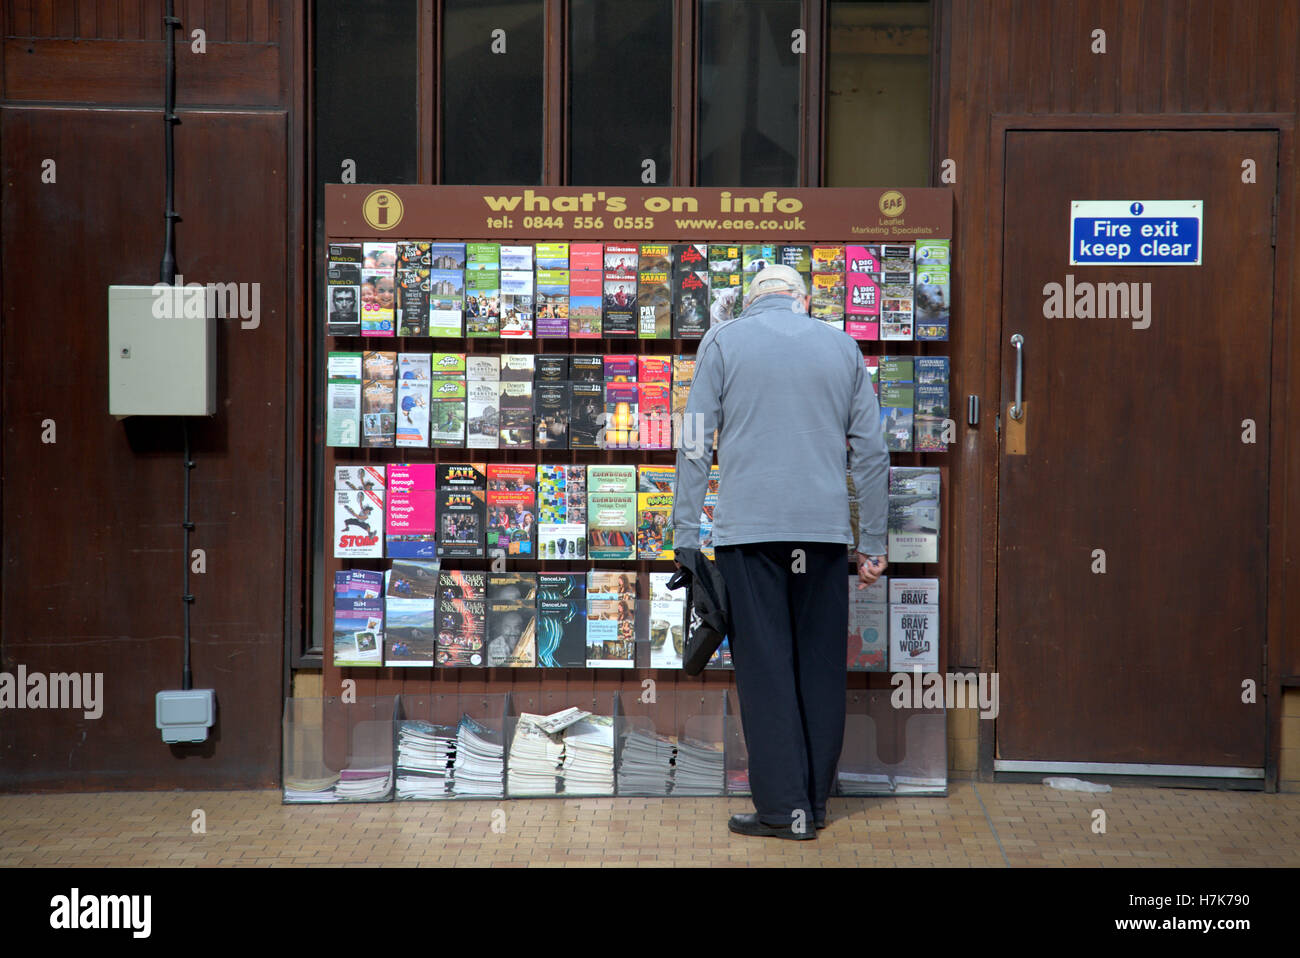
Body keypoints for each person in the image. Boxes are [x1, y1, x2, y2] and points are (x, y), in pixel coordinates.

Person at [671, 263, 889, 841]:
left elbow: (695, 442)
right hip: (821, 536)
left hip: (750, 533)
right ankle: (813, 804)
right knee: (819, 667)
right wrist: (872, 544)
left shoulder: (722, 341)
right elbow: (872, 451)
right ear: (803, 300)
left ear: (750, 300)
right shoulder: (843, 347)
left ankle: (781, 810)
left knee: (766, 669)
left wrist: (685, 535)